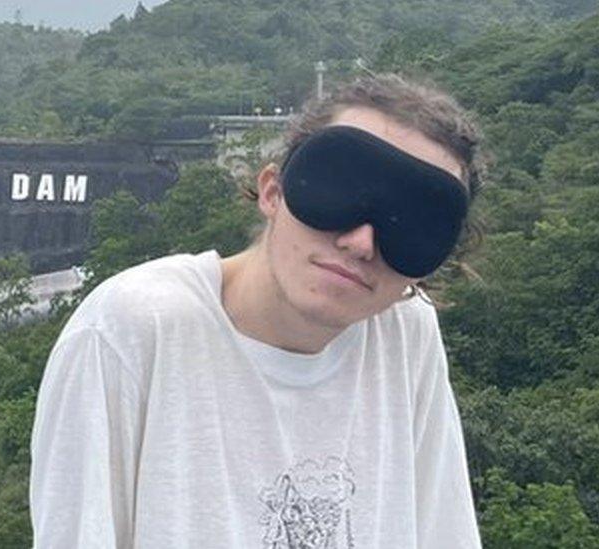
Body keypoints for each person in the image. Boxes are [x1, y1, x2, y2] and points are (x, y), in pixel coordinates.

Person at [29, 72, 486, 548]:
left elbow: (442, 529)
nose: (361, 243)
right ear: (273, 191)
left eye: (411, 225)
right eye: (342, 190)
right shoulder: (132, 327)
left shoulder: (404, 331)